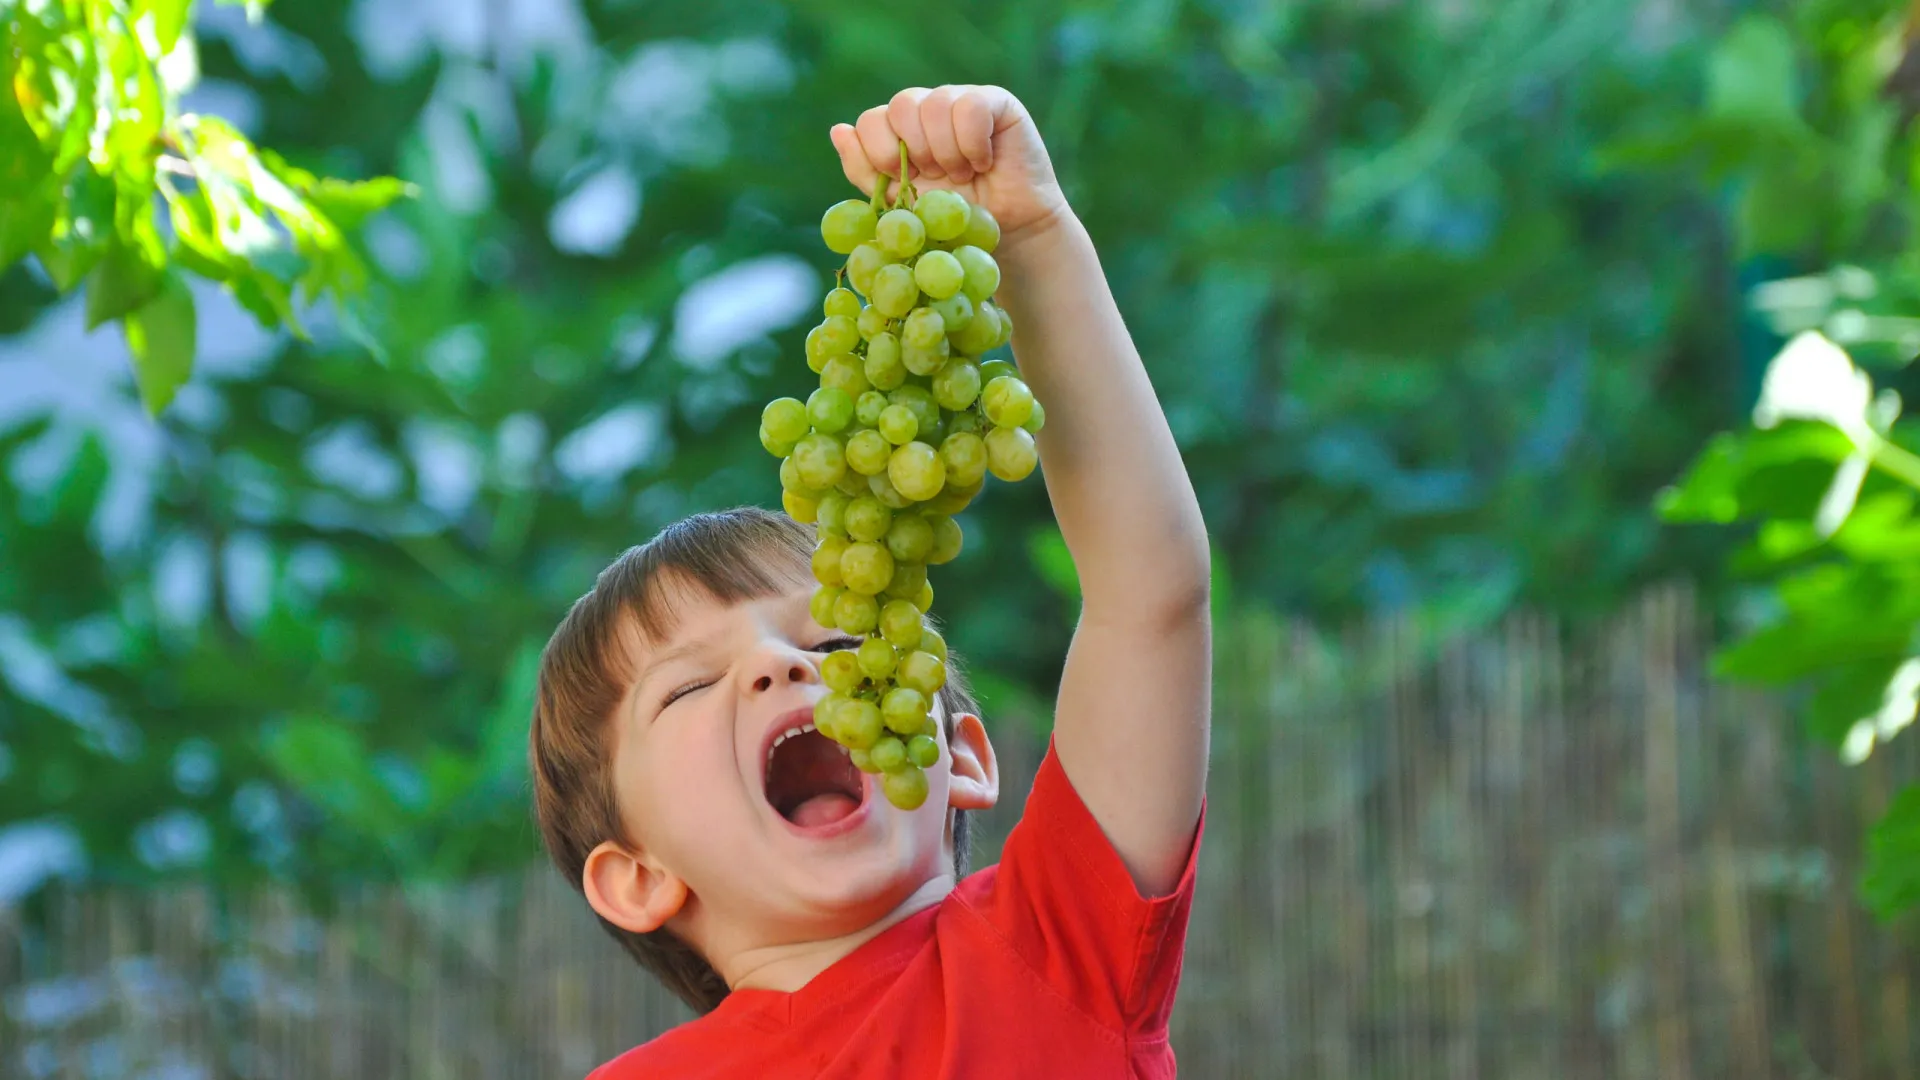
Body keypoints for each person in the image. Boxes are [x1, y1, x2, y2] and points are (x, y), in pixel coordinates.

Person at [529, 84, 1213, 1078]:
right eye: (686, 686)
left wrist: (1030, 242)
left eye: (836, 640)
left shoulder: (1054, 951)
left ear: (965, 764)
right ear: (636, 879)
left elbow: (1150, 601)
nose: (776, 669)